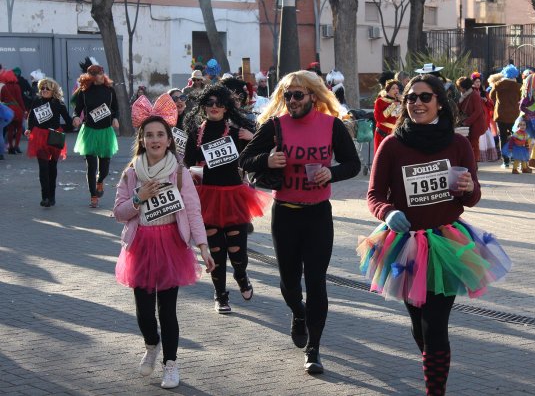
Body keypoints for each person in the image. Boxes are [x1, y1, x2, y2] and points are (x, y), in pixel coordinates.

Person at [358, 74, 511, 395]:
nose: (416, 103)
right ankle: (432, 362)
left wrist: (469, 188)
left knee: (435, 324)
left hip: (446, 244)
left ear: (440, 103)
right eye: (411, 98)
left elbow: (471, 197)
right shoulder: (393, 144)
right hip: (404, 245)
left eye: (425, 97)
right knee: (419, 327)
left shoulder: (456, 144)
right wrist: (388, 212)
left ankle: (435, 391)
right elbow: (374, 195)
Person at [238, 70, 360, 374]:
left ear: (313, 97)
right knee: (290, 282)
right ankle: (298, 312)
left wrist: (331, 172)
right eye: (287, 95)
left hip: (318, 213)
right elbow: (244, 159)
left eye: (297, 95)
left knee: (316, 281)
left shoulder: (331, 126)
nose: (291, 101)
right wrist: (267, 160)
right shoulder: (275, 126)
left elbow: (353, 164)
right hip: (286, 213)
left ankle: (314, 349)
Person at [114, 94, 215, 389]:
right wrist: (137, 198)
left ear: (169, 140)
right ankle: (151, 345)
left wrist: (203, 247)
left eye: (160, 135)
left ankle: (171, 364)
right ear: (142, 140)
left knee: (167, 310)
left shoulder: (180, 172)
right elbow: (119, 212)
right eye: (149, 135)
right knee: (144, 311)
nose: (155, 140)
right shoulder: (132, 172)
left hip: (171, 244)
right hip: (141, 245)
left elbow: (194, 212)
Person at [183, 84, 270, 314]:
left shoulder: (235, 132)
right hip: (207, 197)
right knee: (216, 253)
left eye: (219, 103)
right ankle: (220, 295)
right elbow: (186, 164)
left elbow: (258, 155)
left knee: (237, 252)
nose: (214, 107)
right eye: (209, 103)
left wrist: (251, 138)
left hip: (233, 196)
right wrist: (189, 173)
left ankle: (241, 276)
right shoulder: (195, 135)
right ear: (203, 106)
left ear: (227, 107)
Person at [72, 64, 119, 208]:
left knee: (104, 169)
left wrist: (115, 118)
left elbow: (115, 108)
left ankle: (100, 181)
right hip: (90, 131)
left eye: (99, 73)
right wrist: (75, 118)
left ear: (103, 74)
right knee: (91, 167)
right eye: (93, 74)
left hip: (105, 132)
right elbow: (76, 109)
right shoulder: (84, 91)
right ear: (89, 76)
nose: (97, 76)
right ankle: (93, 196)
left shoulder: (110, 90)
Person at [24, 78, 72, 207]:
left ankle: (52, 196)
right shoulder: (37, 101)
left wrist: (63, 129)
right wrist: (29, 129)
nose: (44, 90)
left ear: (53, 90)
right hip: (40, 136)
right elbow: (31, 117)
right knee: (43, 168)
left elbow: (68, 121)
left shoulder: (58, 103)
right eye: (42, 88)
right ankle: (45, 197)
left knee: (52, 167)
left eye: (47, 88)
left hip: (54, 136)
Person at [490, 64, 522, 168]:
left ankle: (505, 161)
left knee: (502, 138)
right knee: (515, 137)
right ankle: (516, 158)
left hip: (501, 115)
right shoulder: (518, 86)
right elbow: (521, 99)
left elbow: (491, 96)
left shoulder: (498, 84)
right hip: (514, 116)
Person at [456, 77, 488, 163]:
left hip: (475, 124)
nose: (459, 89)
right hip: (470, 124)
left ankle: (474, 163)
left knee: (474, 144)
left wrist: (466, 122)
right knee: (470, 143)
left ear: (464, 87)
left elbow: (478, 111)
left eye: (460, 87)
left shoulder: (474, 95)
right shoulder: (465, 95)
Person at [0, 69, 26, 154]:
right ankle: (16, 146)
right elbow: (20, 99)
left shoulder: (4, 87)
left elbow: (2, 99)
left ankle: (10, 147)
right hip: (17, 109)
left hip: (8, 110)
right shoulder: (17, 86)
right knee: (18, 129)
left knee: (10, 129)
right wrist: (24, 110)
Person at [373, 79, 401, 154]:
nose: (396, 90)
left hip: (396, 134)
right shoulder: (380, 101)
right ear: (388, 90)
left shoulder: (400, 101)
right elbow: (379, 119)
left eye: (397, 88)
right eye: (393, 88)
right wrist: (393, 106)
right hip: (383, 134)